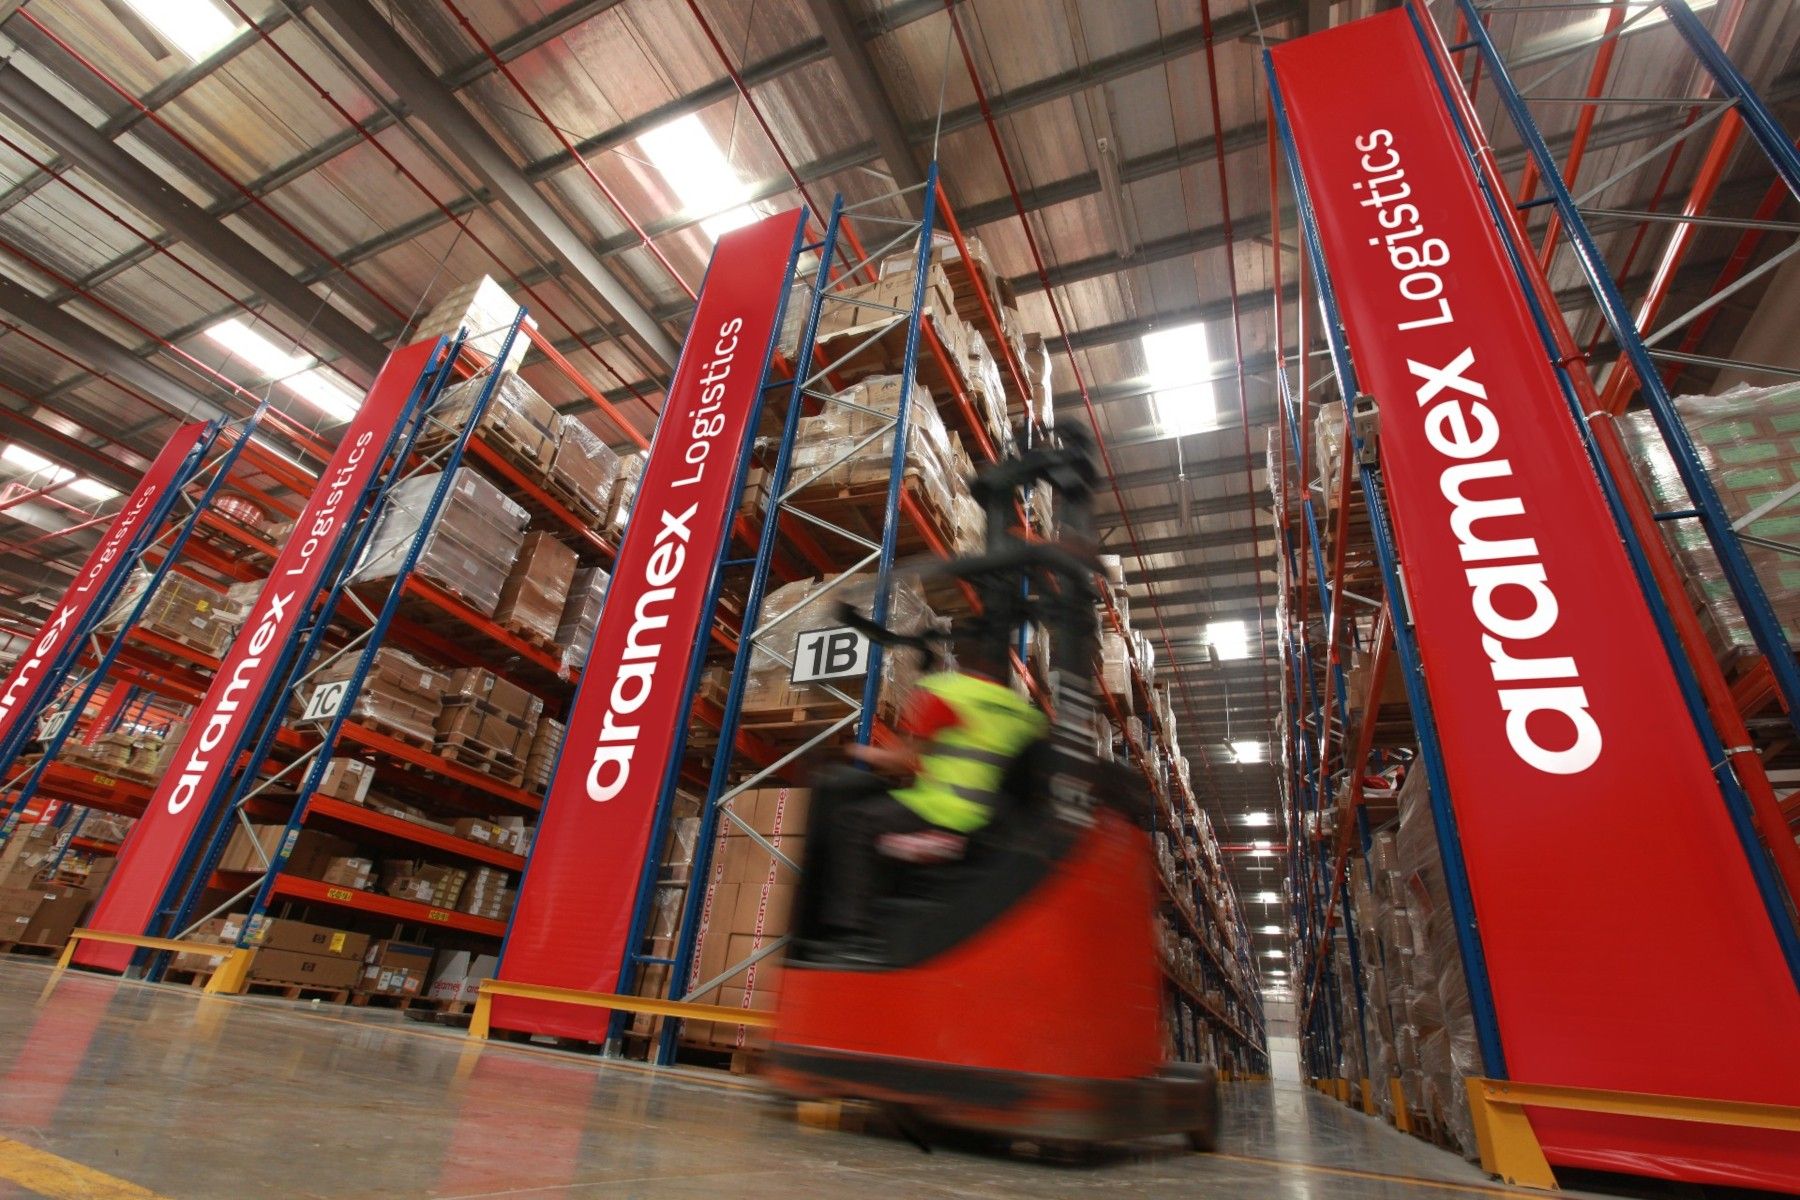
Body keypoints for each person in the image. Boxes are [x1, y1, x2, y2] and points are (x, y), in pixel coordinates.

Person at [814, 653, 1048, 950]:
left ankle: (849, 938)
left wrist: (859, 752)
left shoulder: (947, 692)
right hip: (998, 828)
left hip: (943, 814)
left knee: (854, 822)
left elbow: (905, 760)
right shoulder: (1024, 714)